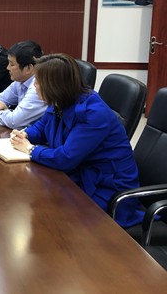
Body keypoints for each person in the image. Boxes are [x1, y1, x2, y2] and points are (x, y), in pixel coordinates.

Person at [9, 53, 143, 227]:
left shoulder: (94, 113)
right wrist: (24, 135)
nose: (34, 86)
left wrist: (30, 149)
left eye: (38, 82)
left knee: (50, 214)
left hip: (107, 188)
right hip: (79, 175)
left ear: (54, 86)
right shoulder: (60, 101)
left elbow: (66, 158)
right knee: (32, 199)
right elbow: (41, 127)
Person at [0, 40, 46, 129]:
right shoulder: (20, 81)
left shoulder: (38, 87)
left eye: (12, 64)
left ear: (28, 68)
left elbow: (14, 122)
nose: (7, 68)